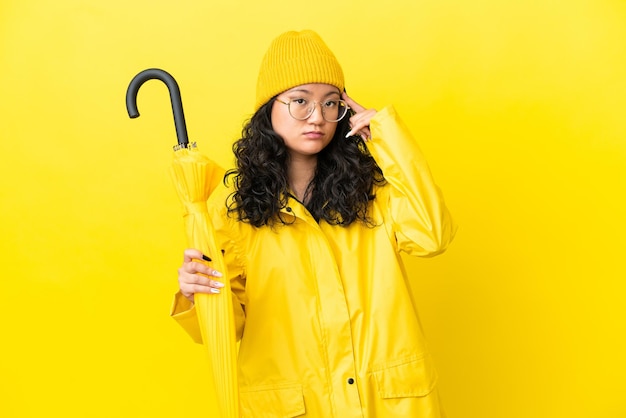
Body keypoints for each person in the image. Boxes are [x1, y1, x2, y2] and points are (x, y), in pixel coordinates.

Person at [171, 29, 456, 417]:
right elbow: (224, 328)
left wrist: (386, 136)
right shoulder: (232, 215)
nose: (317, 117)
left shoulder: (374, 194)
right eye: (300, 102)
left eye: (331, 103)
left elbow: (433, 234)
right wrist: (194, 295)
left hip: (388, 404)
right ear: (268, 109)